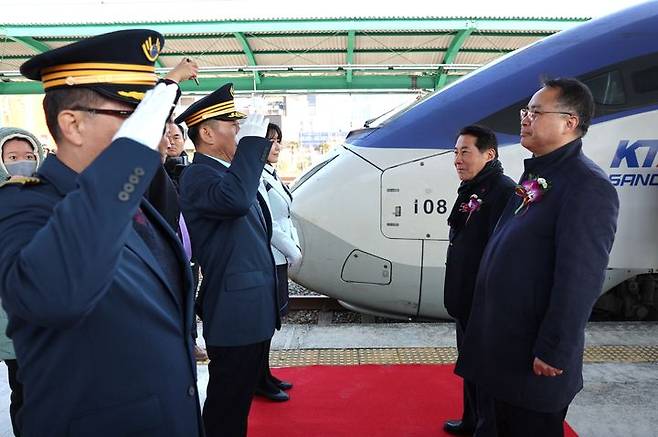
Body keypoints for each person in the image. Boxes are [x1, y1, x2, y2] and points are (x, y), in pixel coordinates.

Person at [0, 30, 202, 436]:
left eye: (152, 118)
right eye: (132, 116)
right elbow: (55, 296)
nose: (152, 132)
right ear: (72, 125)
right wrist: (131, 154)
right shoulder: (22, 205)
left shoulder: (132, 196)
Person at [456, 78, 619, 437]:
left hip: (531, 362)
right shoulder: (538, 176)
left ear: (569, 122)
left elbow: (580, 279)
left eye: (535, 112)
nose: (525, 119)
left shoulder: (587, 187)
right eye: (524, 112)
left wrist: (554, 350)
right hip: (501, 353)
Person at [177, 83, 279, 437]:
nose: (239, 131)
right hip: (234, 311)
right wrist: (252, 145)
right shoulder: (198, 175)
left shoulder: (225, 174)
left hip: (250, 307)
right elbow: (235, 202)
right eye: (232, 125)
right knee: (226, 403)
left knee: (237, 401)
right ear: (206, 133)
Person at [442, 125, 515, 435]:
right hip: (466, 298)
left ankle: (486, 428)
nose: (458, 159)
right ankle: (472, 420)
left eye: (465, 152)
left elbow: (503, 254)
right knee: (470, 365)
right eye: (456, 152)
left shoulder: (503, 191)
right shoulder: (473, 187)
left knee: (485, 372)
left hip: (485, 302)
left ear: (489, 154)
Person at [0, 127, 46, 437]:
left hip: (50, 311)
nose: (22, 163)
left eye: (29, 156)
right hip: (10, 314)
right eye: (12, 157)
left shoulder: (51, 193)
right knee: (24, 389)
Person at [255, 123, 301, 402]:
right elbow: (270, 223)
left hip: (279, 255)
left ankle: (265, 373)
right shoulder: (256, 178)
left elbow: (286, 216)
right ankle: (259, 379)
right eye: (270, 141)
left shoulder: (270, 175)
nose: (276, 146)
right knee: (265, 320)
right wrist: (293, 251)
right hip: (270, 255)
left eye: (278, 140)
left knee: (271, 320)